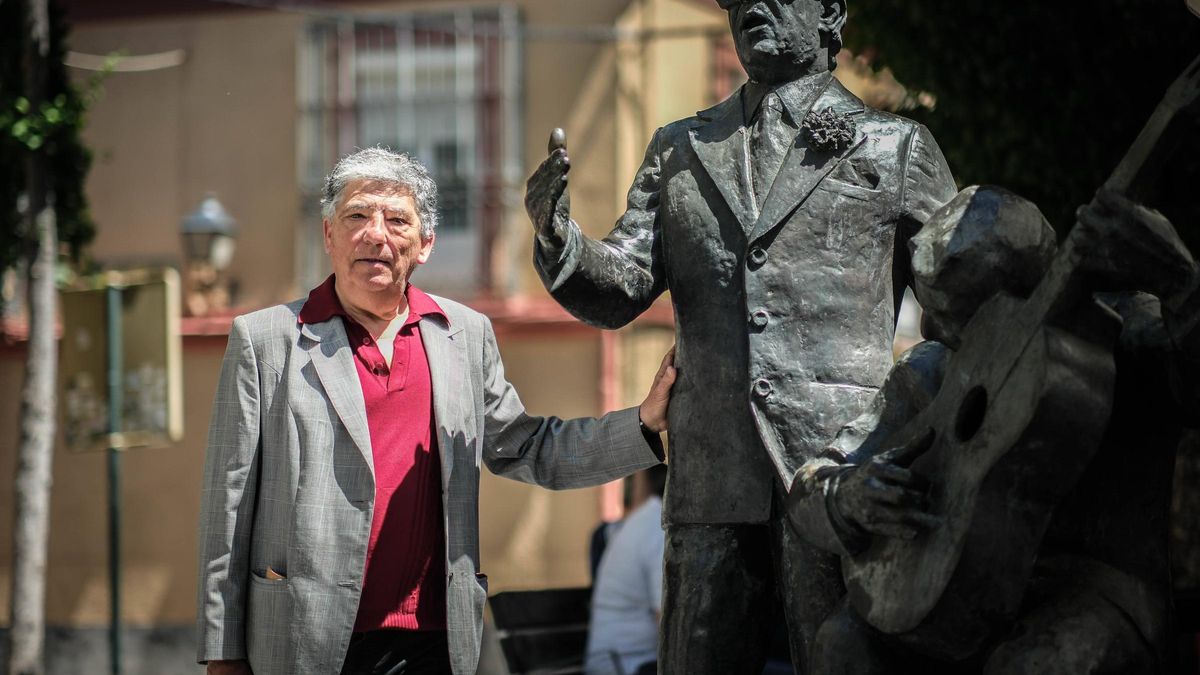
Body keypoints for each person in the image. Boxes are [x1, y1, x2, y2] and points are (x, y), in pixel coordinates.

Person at [523, 0, 956, 670]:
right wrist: (559, 240)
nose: (751, 4)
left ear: (830, 13)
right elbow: (625, 285)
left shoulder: (896, 148)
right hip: (711, 483)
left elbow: (960, 313)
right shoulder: (680, 148)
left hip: (840, 475)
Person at [195, 147, 677, 675]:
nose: (376, 234)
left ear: (425, 244)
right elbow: (229, 507)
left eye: (396, 219)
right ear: (329, 236)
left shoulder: (464, 335)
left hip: (434, 640)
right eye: (356, 216)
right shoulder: (265, 341)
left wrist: (641, 424)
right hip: (301, 637)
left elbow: (527, 447)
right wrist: (223, 654)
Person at [788, 186, 1200, 673]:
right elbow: (813, 483)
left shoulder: (1120, 332)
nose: (930, 332)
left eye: (949, 315)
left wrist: (1185, 289)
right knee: (842, 642)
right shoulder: (930, 370)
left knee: (1035, 665)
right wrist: (847, 496)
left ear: (1024, 295)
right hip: (945, 589)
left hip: (1093, 588)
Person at [585, 464, 669, 675]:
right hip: (626, 665)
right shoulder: (656, 525)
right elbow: (668, 619)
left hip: (627, 661)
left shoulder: (648, 518)